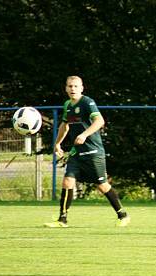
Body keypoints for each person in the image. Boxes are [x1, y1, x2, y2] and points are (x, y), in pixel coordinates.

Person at [45, 76, 130, 228]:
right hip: (77, 152)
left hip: (93, 151)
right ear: (66, 88)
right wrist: (57, 144)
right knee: (67, 181)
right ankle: (62, 219)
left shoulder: (87, 102)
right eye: (70, 86)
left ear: (82, 88)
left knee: (102, 185)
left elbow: (100, 121)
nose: (73, 89)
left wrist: (84, 135)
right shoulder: (67, 105)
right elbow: (65, 125)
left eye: (76, 86)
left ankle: (122, 214)